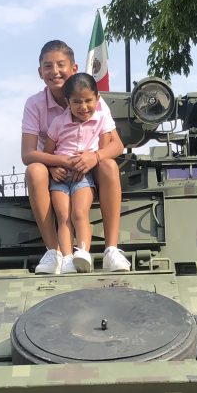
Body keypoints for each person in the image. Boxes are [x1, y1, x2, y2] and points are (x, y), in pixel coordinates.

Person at [21, 40, 130, 274]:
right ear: (40, 72)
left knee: (110, 166)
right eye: (48, 66)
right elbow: (28, 154)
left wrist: (95, 157)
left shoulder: (94, 100)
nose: (55, 71)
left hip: (90, 168)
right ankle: (53, 252)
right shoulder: (34, 105)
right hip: (54, 171)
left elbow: (117, 144)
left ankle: (111, 249)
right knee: (35, 170)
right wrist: (56, 164)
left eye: (61, 64)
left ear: (74, 68)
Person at [43, 73, 118, 273]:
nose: (83, 107)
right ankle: (67, 258)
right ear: (67, 102)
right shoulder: (58, 123)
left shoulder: (101, 119)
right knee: (63, 215)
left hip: (83, 176)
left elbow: (106, 148)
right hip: (60, 178)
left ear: (97, 98)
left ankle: (83, 252)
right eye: (76, 102)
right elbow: (47, 153)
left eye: (88, 101)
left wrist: (92, 160)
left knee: (79, 213)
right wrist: (51, 168)